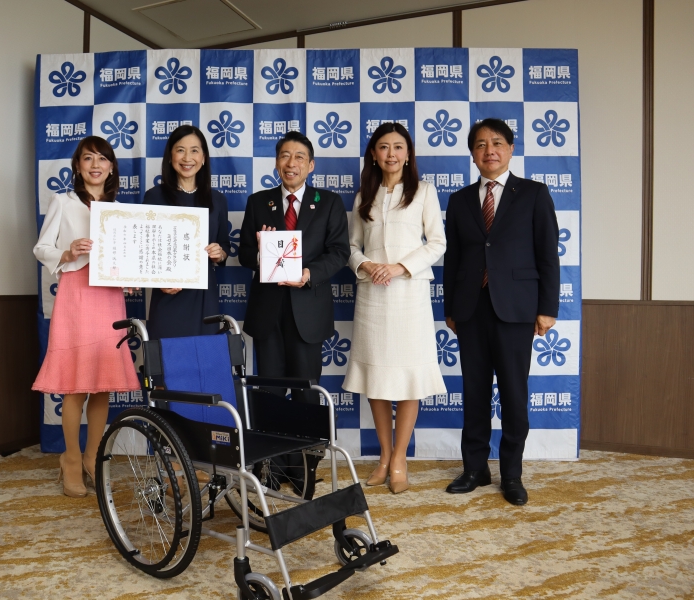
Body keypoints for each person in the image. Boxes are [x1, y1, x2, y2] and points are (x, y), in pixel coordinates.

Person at [443, 118, 560, 506]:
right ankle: (475, 468)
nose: (488, 150)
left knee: (513, 394)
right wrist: (450, 308)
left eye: (496, 143)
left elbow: (547, 255)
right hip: (471, 310)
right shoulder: (459, 200)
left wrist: (547, 308)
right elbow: (454, 259)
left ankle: (511, 473)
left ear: (510, 149)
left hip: (516, 310)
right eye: (480, 144)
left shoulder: (534, 193)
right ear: (473, 154)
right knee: (473, 393)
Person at [342, 123, 447, 494]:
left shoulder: (424, 192)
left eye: (398, 147)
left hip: (408, 295)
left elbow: (437, 243)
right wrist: (365, 265)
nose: (391, 154)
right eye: (383, 147)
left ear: (408, 153)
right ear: (373, 154)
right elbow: (351, 246)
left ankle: (400, 456)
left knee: (407, 379)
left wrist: (401, 266)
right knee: (377, 377)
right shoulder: (362, 197)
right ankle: (384, 456)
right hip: (373, 295)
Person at [33, 136, 140, 498]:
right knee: (76, 382)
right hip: (77, 293)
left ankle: (94, 454)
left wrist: (131, 279)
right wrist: (67, 252)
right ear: (78, 166)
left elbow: (127, 259)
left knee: (103, 380)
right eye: (88, 158)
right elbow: (41, 248)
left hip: (109, 295)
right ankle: (71, 457)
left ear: (111, 167)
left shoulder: (120, 209)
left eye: (102, 159)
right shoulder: (63, 202)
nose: (95, 165)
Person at [239, 131, 350, 403]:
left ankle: (307, 447)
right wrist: (261, 255)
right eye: (284, 156)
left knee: (307, 393)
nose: (291, 163)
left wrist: (309, 274)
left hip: (309, 311)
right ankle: (275, 447)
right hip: (268, 312)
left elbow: (339, 252)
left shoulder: (329, 202)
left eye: (299, 157)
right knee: (269, 392)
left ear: (310, 165)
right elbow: (244, 253)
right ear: (276, 163)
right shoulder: (258, 202)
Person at [143, 125, 230, 339]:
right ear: (170, 156)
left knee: (203, 361)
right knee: (166, 363)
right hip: (168, 296)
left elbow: (224, 246)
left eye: (194, 150)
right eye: (180, 150)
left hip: (204, 297)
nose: (187, 158)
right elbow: (143, 253)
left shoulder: (217, 199)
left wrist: (220, 253)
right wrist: (158, 282)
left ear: (204, 157)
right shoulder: (154, 197)